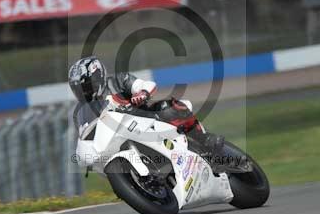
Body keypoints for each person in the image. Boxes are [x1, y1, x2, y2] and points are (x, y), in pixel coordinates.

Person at [68, 56, 224, 160]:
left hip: (147, 122)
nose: (85, 92)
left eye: (87, 86)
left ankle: (204, 139)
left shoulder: (117, 81)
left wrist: (142, 93)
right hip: (116, 143)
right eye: (79, 88)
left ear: (98, 77)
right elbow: (85, 136)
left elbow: (145, 85)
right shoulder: (79, 112)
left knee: (166, 106)